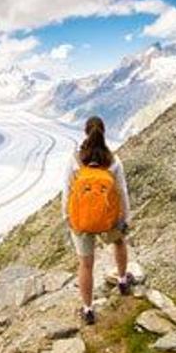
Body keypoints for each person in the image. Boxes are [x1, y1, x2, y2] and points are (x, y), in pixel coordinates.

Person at [62, 115, 132, 324]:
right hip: (108, 218)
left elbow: (66, 191)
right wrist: (124, 218)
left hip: (81, 220)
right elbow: (121, 192)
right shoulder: (113, 160)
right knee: (119, 243)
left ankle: (88, 309)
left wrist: (67, 217)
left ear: (85, 132)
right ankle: (122, 280)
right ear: (104, 131)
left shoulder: (75, 160)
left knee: (86, 264)